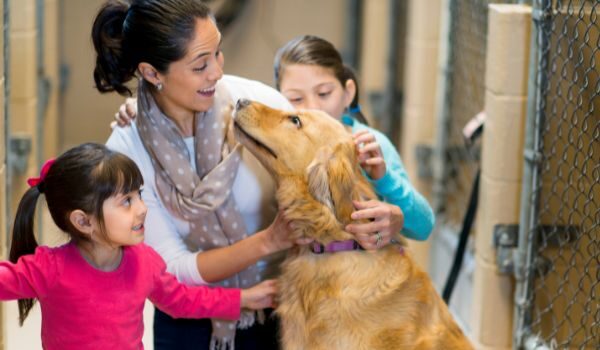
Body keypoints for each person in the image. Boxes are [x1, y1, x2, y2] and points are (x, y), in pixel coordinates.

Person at [95, 1, 410, 348]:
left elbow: (330, 189)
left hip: (283, 304)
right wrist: (268, 240)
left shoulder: (254, 103)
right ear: (153, 73)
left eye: (218, 53)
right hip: (191, 320)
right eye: (200, 65)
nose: (216, 72)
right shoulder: (128, 149)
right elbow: (171, 268)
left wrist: (388, 219)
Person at [0, 143, 277, 350]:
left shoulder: (144, 262)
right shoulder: (50, 268)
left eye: (139, 195)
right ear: (83, 221)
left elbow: (183, 300)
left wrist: (243, 299)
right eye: (127, 202)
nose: (143, 209)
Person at [273, 35, 434, 241]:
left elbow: (424, 226)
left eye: (324, 93)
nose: (313, 108)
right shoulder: (279, 147)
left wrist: (384, 179)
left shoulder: (371, 144)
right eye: (296, 99)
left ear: (348, 93)